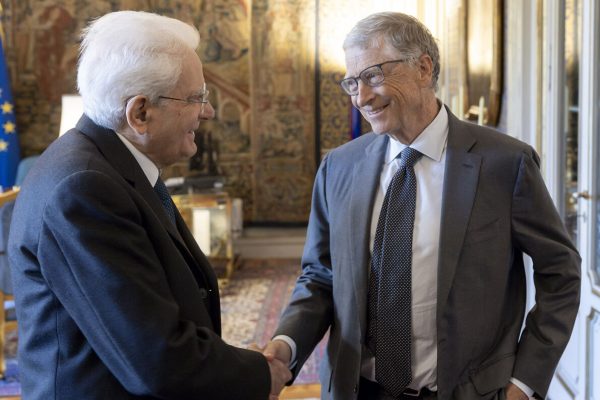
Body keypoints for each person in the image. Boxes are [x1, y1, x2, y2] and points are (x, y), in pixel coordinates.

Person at [261, 11, 581, 400]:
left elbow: (560, 272)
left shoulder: (504, 164)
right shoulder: (338, 167)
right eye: (352, 82)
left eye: (374, 76)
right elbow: (321, 275)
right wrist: (285, 345)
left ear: (424, 68)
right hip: (356, 390)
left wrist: (525, 384)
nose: (361, 97)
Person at [8, 10, 290, 400]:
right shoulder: (85, 188)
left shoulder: (108, 165)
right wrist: (261, 374)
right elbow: (156, 358)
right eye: (196, 98)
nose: (207, 111)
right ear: (140, 113)